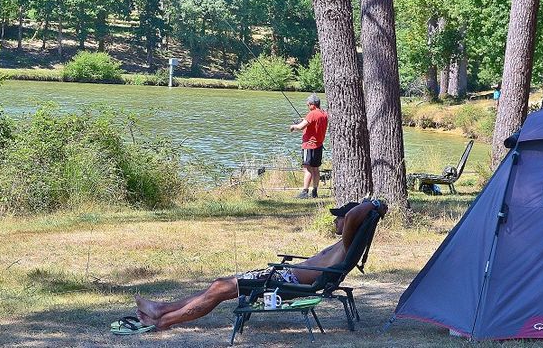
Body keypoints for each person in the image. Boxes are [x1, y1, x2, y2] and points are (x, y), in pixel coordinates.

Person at [133, 200, 386, 330]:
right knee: (218, 285)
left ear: (348, 222)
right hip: (283, 277)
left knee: (221, 289)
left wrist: (373, 205)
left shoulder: (347, 242)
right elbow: (353, 216)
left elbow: (354, 215)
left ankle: (163, 321)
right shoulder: (345, 245)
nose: (335, 222)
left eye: (338, 218)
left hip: (286, 282)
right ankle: (161, 309)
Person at [289, 93, 328, 198]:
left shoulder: (312, 113)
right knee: (316, 169)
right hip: (319, 145)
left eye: (308, 105)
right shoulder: (324, 114)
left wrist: (293, 126)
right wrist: (305, 120)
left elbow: (301, 127)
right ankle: (314, 191)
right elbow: (313, 123)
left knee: (307, 169)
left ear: (312, 105)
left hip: (309, 145)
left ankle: (304, 192)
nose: (308, 107)